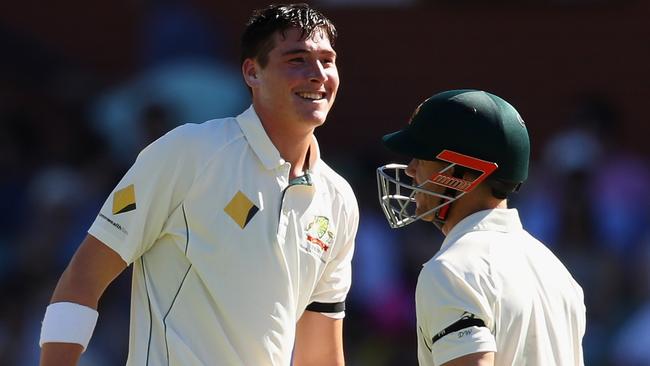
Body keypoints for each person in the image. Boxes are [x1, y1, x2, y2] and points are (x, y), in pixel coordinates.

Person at [39, 4, 359, 365]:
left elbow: (320, 352)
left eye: (326, 60)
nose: (317, 74)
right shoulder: (188, 152)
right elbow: (84, 276)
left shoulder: (339, 198)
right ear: (253, 72)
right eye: (297, 59)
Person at [376, 89, 586, 365]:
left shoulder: (451, 271)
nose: (410, 170)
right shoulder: (556, 270)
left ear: (459, 172)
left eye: (422, 158)